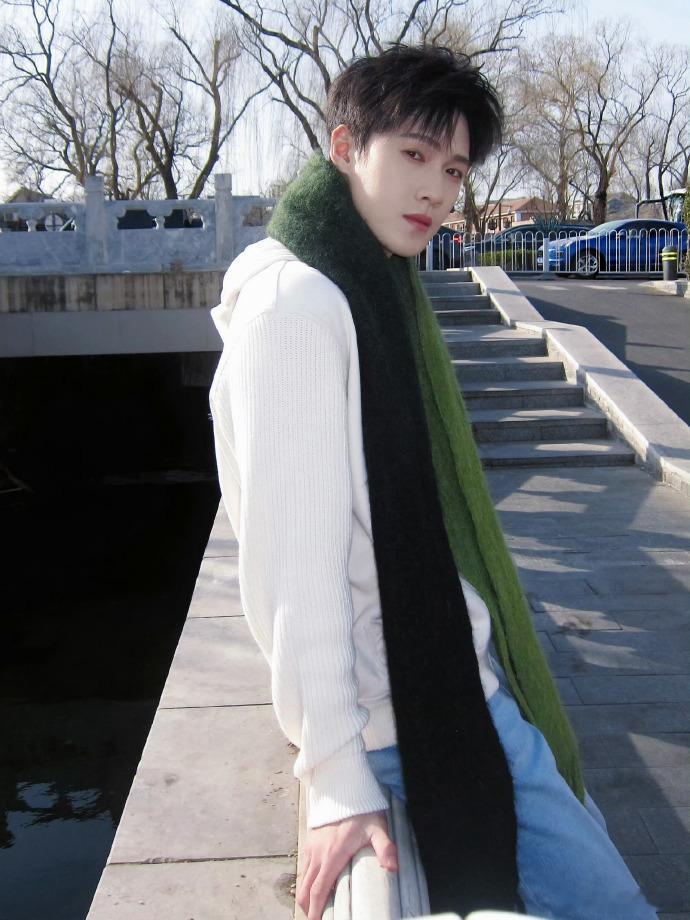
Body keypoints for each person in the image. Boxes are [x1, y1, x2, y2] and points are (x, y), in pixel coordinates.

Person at [209, 44, 657, 920]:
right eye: (414, 155)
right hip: (408, 708)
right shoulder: (297, 307)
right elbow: (292, 569)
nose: (437, 191)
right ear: (345, 147)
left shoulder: (363, 278)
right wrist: (337, 776)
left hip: (445, 673)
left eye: (453, 169)